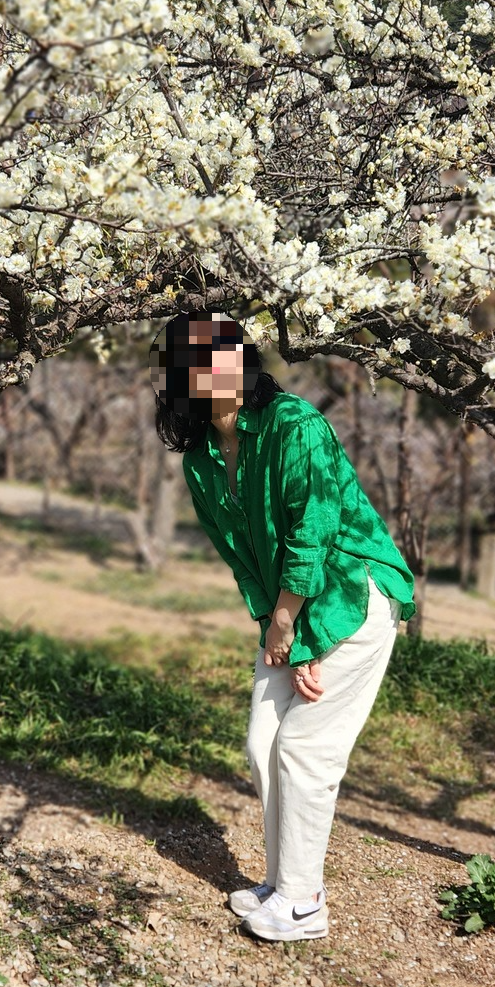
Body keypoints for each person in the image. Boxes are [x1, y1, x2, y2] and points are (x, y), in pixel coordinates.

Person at [155, 314, 416, 943]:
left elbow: (315, 528)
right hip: (291, 612)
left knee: (306, 750)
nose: (214, 368)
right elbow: (243, 555)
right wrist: (283, 629)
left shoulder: (295, 424)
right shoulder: (202, 458)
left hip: (351, 594)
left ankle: (302, 905)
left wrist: (298, 630)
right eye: (197, 360)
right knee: (261, 742)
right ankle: (283, 882)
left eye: (224, 352)